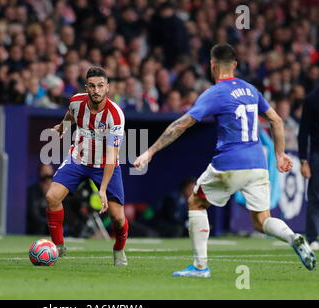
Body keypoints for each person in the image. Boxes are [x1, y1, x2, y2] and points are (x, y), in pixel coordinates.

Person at [134, 43, 316, 277]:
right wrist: (280, 155)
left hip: (230, 163)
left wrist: (150, 152)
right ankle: (293, 237)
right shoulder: (251, 90)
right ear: (235, 65)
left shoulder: (215, 93)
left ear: (212, 65)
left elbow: (181, 124)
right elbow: (277, 120)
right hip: (257, 164)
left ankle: (200, 267)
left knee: (196, 203)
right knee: (262, 221)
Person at [46, 67, 129, 266]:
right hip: (78, 159)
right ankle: (58, 246)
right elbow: (70, 115)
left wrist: (102, 190)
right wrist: (62, 128)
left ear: (107, 88)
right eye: (92, 86)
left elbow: (111, 155)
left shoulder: (115, 116)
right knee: (52, 197)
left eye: (101, 86)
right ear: (86, 88)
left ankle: (118, 249)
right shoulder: (76, 102)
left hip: (105, 165)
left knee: (117, 218)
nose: (96, 90)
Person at [298, 85, 319, 251]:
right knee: (315, 197)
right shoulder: (312, 99)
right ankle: (312, 238)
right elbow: (303, 132)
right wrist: (303, 160)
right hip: (317, 155)